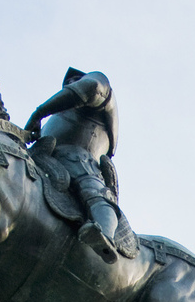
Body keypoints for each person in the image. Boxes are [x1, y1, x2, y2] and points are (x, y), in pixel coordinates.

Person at [24, 68, 126, 261]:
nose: (70, 84)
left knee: (92, 190)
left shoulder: (99, 85)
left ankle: (104, 235)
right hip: (44, 158)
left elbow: (91, 87)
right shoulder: (57, 118)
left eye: (75, 80)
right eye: (67, 83)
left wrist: (39, 113)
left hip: (81, 160)